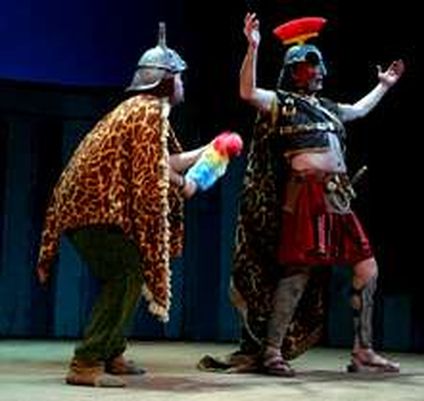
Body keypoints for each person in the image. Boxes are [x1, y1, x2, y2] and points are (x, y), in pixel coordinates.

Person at [204, 13, 403, 377]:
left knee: (367, 268)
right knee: (298, 272)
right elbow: (247, 92)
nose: (320, 71)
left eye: (320, 65)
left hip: (338, 198)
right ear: (294, 71)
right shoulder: (282, 103)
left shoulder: (328, 107)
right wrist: (253, 48)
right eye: (312, 66)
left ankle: (363, 351)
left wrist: (384, 86)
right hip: (305, 198)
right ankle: (271, 351)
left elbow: (358, 110)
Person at [36, 22, 220, 387]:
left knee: (129, 272)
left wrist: (209, 151)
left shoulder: (145, 110)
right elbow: (156, 169)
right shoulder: (147, 111)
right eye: (180, 78)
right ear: (166, 81)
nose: (183, 85)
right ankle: (87, 361)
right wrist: (186, 185)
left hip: (93, 209)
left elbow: (164, 159)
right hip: (92, 209)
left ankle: (111, 352)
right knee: (125, 273)